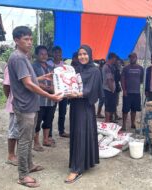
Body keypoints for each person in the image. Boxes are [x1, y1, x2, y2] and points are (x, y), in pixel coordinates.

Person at [8, 26, 63, 188]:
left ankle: (29, 165)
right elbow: (28, 84)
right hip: (25, 107)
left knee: (29, 138)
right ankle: (23, 175)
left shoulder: (23, 57)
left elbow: (29, 79)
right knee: (24, 141)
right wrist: (50, 96)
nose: (30, 42)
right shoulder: (18, 57)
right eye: (26, 39)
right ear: (17, 41)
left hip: (31, 106)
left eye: (31, 39)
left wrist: (42, 77)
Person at [65, 45, 103, 184]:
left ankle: (76, 169)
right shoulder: (76, 70)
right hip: (75, 106)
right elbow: (69, 84)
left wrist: (78, 94)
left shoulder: (95, 71)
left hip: (85, 107)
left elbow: (92, 90)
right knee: (77, 134)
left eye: (85, 54)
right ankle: (84, 162)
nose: (82, 57)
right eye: (80, 54)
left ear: (90, 54)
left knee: (81, 134)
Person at [32, 45, 56, 151]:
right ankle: (36, 142)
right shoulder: (33, 67)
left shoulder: (51, 67)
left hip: (50, 100)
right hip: (39, 100)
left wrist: (54, 89)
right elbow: (32, 81)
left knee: (49, 120)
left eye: (45, 54)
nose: (44, 56)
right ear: (36, 55)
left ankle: (45, 140)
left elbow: (56, 81)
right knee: (37, 121)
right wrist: (48, 89)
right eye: (41, 54)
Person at [49, 46, 69, 138]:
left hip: (63, 92)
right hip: (52, 92)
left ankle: (61, 131)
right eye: (56, 53)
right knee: (50, 113)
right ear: (52, 54)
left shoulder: (64, 65)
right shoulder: (48, 64)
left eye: (59, 53)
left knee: (62, 112)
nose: (58, 55)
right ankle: (49, 134)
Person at [121, 52, 144, 130]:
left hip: (137, 92)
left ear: (136, 58)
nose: (132, 59)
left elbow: (141, 79)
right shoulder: (125, 68)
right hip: (127, 92)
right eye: (130, 57)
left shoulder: (140, 68)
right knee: (125, 109)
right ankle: (124, 124)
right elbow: (122, 79)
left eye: (133, 57)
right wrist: (124, 90)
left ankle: (132, 123)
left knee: (134, 109)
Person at [3, 66, 18, 166]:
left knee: (21, 131)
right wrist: (10, 98)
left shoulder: (26, 63)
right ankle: (11, 155)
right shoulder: (11, 65)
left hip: (24, 105)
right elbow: (6, 85)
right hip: (15, 104)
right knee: (13, 130)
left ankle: (20, 153)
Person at [102, 53, 117, 122]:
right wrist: (112, 90)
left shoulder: (109, 66)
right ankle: (107, 121)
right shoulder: (107, 67)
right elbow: (109, 80)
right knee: (108, 107)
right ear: (112, 58)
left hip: (109, 89)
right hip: (108, 90)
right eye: (115, 59)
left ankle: (109, 120)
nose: (115, 60)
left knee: (111, 106)